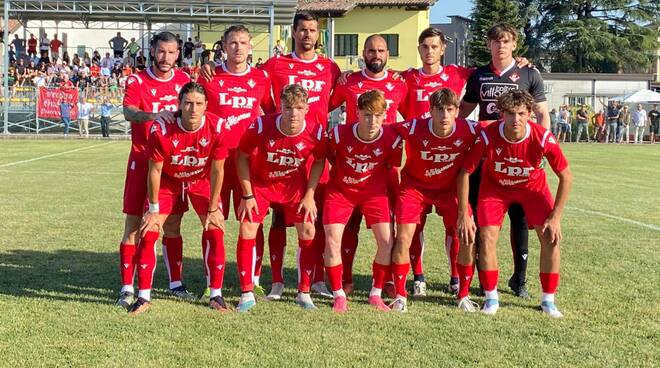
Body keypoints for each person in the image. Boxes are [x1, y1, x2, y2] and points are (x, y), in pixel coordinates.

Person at [202, 12, 342, 300]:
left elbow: (342, 99)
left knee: (310, 216)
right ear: (293, 32)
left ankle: (314, 282)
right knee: (271, 218)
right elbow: (266, 107)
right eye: (302, 29)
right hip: (269, 156)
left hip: (310, 152)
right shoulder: (273, 67)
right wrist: (207, 66)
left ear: (318, 34)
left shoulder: (331, 68)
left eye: (313, 30)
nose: (307, 34)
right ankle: (271, 280)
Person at [457, 89, 572, 317]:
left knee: (551, 238)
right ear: (501, 114)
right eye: (510, 114)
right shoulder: (489, 135)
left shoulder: (542, 137)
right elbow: (464, 172)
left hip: (532, 190)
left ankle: (548, 300)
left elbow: (566, 176)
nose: (515, 119)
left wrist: (556, 217)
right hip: (496, 191)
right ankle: (491, 298)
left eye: (521, 113)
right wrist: (464, 213)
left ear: (530, 113)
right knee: (486, 237)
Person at [459, 23, 550, 299]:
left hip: (519, 160)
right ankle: (478, 277)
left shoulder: (529, 73)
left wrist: (541, 151)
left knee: (520, 220)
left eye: (506, 41)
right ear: (489, 45)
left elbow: (542, 115)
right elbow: (463, 113)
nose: (501, 46)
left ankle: (519, 279)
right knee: (481, 220)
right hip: (486, 160)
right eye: (496, 41)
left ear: (515, 45)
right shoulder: (479, 76)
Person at [130, 82, 229, 315]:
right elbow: (154, 170)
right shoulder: (162, 129)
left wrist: (213, 207)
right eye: (188, 103)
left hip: (200, 180)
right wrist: (153, 208)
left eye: (198, 104)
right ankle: (143, 296)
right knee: (150, 229)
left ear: (206, 106)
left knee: (215, 229)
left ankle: (216, 294)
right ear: (179, 105)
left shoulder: (217, 127)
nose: (193, 109)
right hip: (168, 181)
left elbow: (217, 170)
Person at [196, 25, 276, 297]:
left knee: (254, 220)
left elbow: (271, 114)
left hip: (250, 164)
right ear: (223, 46)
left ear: (250, 46)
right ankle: (212, 282)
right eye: (233, 43)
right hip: (215, 163)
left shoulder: (262, 78)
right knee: (213, 221)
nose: (238, 47)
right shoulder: (209, 76)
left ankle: (253, 277)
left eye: (243, 42)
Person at [235, 84, 326, 312]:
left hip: (294, 186)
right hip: (262, 184)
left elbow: (319, 161)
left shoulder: (315, 131)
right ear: (280, 107)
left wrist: (310, 194)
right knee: (247, 227)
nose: (293, 113)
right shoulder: (261, 125)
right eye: (287, 107)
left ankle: (303, 292)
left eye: (298, 108)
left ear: (307, 109)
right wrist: (247, 194)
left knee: (308, 230)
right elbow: (241, 156)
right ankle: (246, 292)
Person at [117, 31, 192, 308]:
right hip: (142, 159)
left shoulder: (185, 80)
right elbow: (128, 112)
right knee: (134, 225)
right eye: (161, 51)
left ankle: (176, 284)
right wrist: (152, 115)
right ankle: (126, 287)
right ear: (152, 50)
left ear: (178, 53)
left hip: (173, 164)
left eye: (172, 52)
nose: (166, 58)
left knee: (172, 224)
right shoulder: (138, 80)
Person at [328, 35, 408, 295]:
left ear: (388, 53)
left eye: (381, 50)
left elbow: (411, 118)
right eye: (371, 50)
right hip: (351, 163)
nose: (376, 55)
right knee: (348, 226)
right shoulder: (348, 81)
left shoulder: (400, 83)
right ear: (364, 52)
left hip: (385, 167)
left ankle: (388, 280)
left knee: (391, 226)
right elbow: (324, 107)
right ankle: (346, 280)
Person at [389, 88, 480, 312]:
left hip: (450, 190)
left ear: (458, 111)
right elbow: (381, 131)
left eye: (450, 110)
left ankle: (463, 294)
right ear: (430, 111)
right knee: (403, 237)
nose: (445, 116)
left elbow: (499, 130)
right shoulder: (413, 127)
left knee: (468, 234)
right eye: (439, 110)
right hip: (414, 188)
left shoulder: (469, 129)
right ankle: (401, 294)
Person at [323, 90, 402, 313]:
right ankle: (338, 293)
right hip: (340, 192)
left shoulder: (392, 139)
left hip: (374, 194)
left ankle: (376, 293)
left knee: (387, 241)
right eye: (367, 115)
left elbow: (391, 166)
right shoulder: (338, 134)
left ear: (385, 115)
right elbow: (330, 157)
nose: (372, 121)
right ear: (356, 113)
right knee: (332, 241)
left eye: (377, 115)